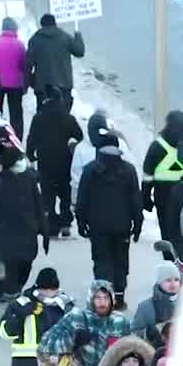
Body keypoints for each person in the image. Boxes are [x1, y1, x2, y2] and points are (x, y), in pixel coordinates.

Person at [76, 130, 143, 308]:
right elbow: (136, 200)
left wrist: (81, 222)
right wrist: (138, 225)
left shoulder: (90, 170)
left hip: (97, 226)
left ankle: (103, 297)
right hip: (122, 226)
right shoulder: (128, 170)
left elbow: (82, 199)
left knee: (101, 261)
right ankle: (119, 297)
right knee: (121, 261)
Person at [0, 142, 40, 300]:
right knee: (10, 267)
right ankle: (11, 294)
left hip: (27, 232)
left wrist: (44, 228)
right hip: (4, 234)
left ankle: (14, 290)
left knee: (25, 265)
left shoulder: (29, 180)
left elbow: (38, 205)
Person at [25, 89, 80, 237]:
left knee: (48, 193)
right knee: (64, 191)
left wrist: (30, 154)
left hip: (45, 160)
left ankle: (51, 222)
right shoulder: (68, 118)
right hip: (64, 160)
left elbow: (31, 139)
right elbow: (79, 136)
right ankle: (66, 222)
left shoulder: (38, 118)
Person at [140, 110, 183, 245]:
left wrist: (145, 198)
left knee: (167, 232)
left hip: (163, 196)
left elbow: (147, 176)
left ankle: (170, 261)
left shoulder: (157, 146)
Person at [24, 12, 83, 108]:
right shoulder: (65, 37)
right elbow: (80, 52)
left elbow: (28, 65)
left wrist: (30, 82)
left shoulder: (34, 40)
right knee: (63, 119)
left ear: (41, 25)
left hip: (42, 87)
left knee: (44, 118)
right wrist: (78, 35)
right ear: (55, 23)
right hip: (64, 85)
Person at [0, 18, 26, 138]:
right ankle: (17, 137)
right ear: (14, 28)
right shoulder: (20, 44)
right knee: (16, 113)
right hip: (16, 84)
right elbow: (24, 65)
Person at [129, 259, 181, 350]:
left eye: (176, 280)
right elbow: (134, 334)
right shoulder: (145, 307)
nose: (173, 284)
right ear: (159, 282)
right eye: (168, 280)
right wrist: (149, 333)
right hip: (154, 355)